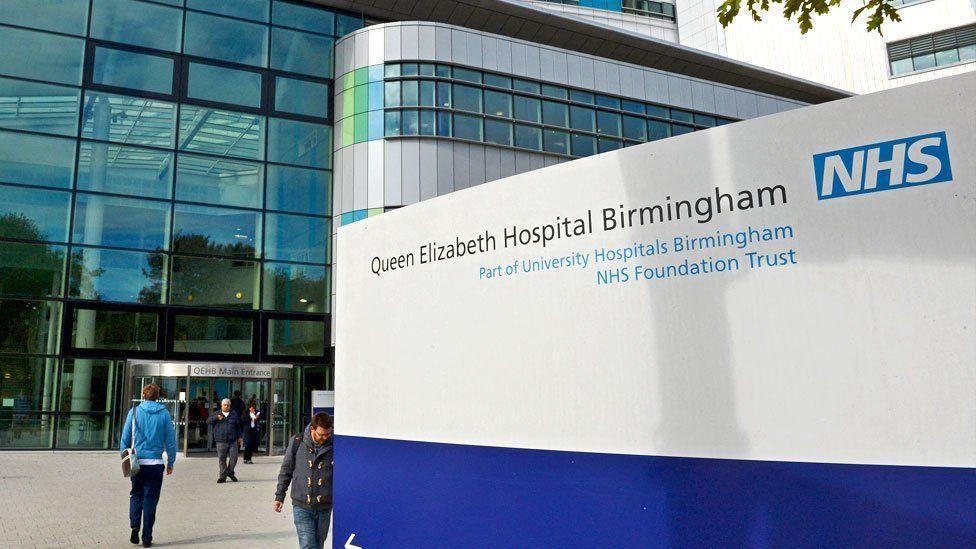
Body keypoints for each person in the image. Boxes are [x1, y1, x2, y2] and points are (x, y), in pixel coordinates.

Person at [120, 384, 177, 548]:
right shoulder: (164, 414)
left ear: (143, 395)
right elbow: (170, 442)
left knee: (136, 495)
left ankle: (134, 526)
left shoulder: (135, 412)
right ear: (157, 396)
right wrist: (171, 462)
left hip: (137, 463)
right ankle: (147, 537)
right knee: (151, 500)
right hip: (156, 465)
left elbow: (125, 439)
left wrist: (124, 460)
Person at [274, 413, 334, 549]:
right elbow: (286, 470)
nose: (325, 438)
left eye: (328, 434)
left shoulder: (335, 445)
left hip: (324, 506)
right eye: (321, 435)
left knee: (318, 544)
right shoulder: (297, 442)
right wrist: (279, 495)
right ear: (312, 429)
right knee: (308, 545)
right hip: (302, 504)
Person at [207, 398, 242, 483]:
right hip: (221, 440)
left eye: (228, 405)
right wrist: (216, 418)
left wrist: (239, 437)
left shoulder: (233, 414)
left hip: (232, 440)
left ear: (230, 406)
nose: (226, 406)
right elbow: (208, 421)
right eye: (225, 405)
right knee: (222, 459)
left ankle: (230, 472)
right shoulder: (216, 414)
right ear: (221, 405)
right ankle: (222, 476)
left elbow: (238, 426)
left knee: (234, 457)